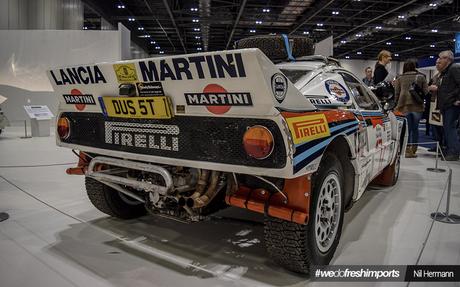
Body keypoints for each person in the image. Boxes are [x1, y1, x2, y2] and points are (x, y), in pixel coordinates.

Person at [428, 50, 460, 161]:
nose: (439, 60)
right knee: (447, 128)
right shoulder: (446, 71)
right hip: (446, 104)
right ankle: (450, 150)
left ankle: (454, 152)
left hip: (452, 104)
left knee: (450, 128)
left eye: (442, 58)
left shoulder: (454, 68)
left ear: (448, 59)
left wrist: (458, 100)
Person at [394, 58, 428, 158]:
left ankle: (407, 149)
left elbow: (397, 93)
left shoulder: (399, 78)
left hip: (403, 106)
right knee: (415, 129)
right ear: (414, 66)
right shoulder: (421, 77)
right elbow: (426, 92)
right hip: (417, 106)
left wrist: (395, 105)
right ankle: (414, 150)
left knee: (406, 129)